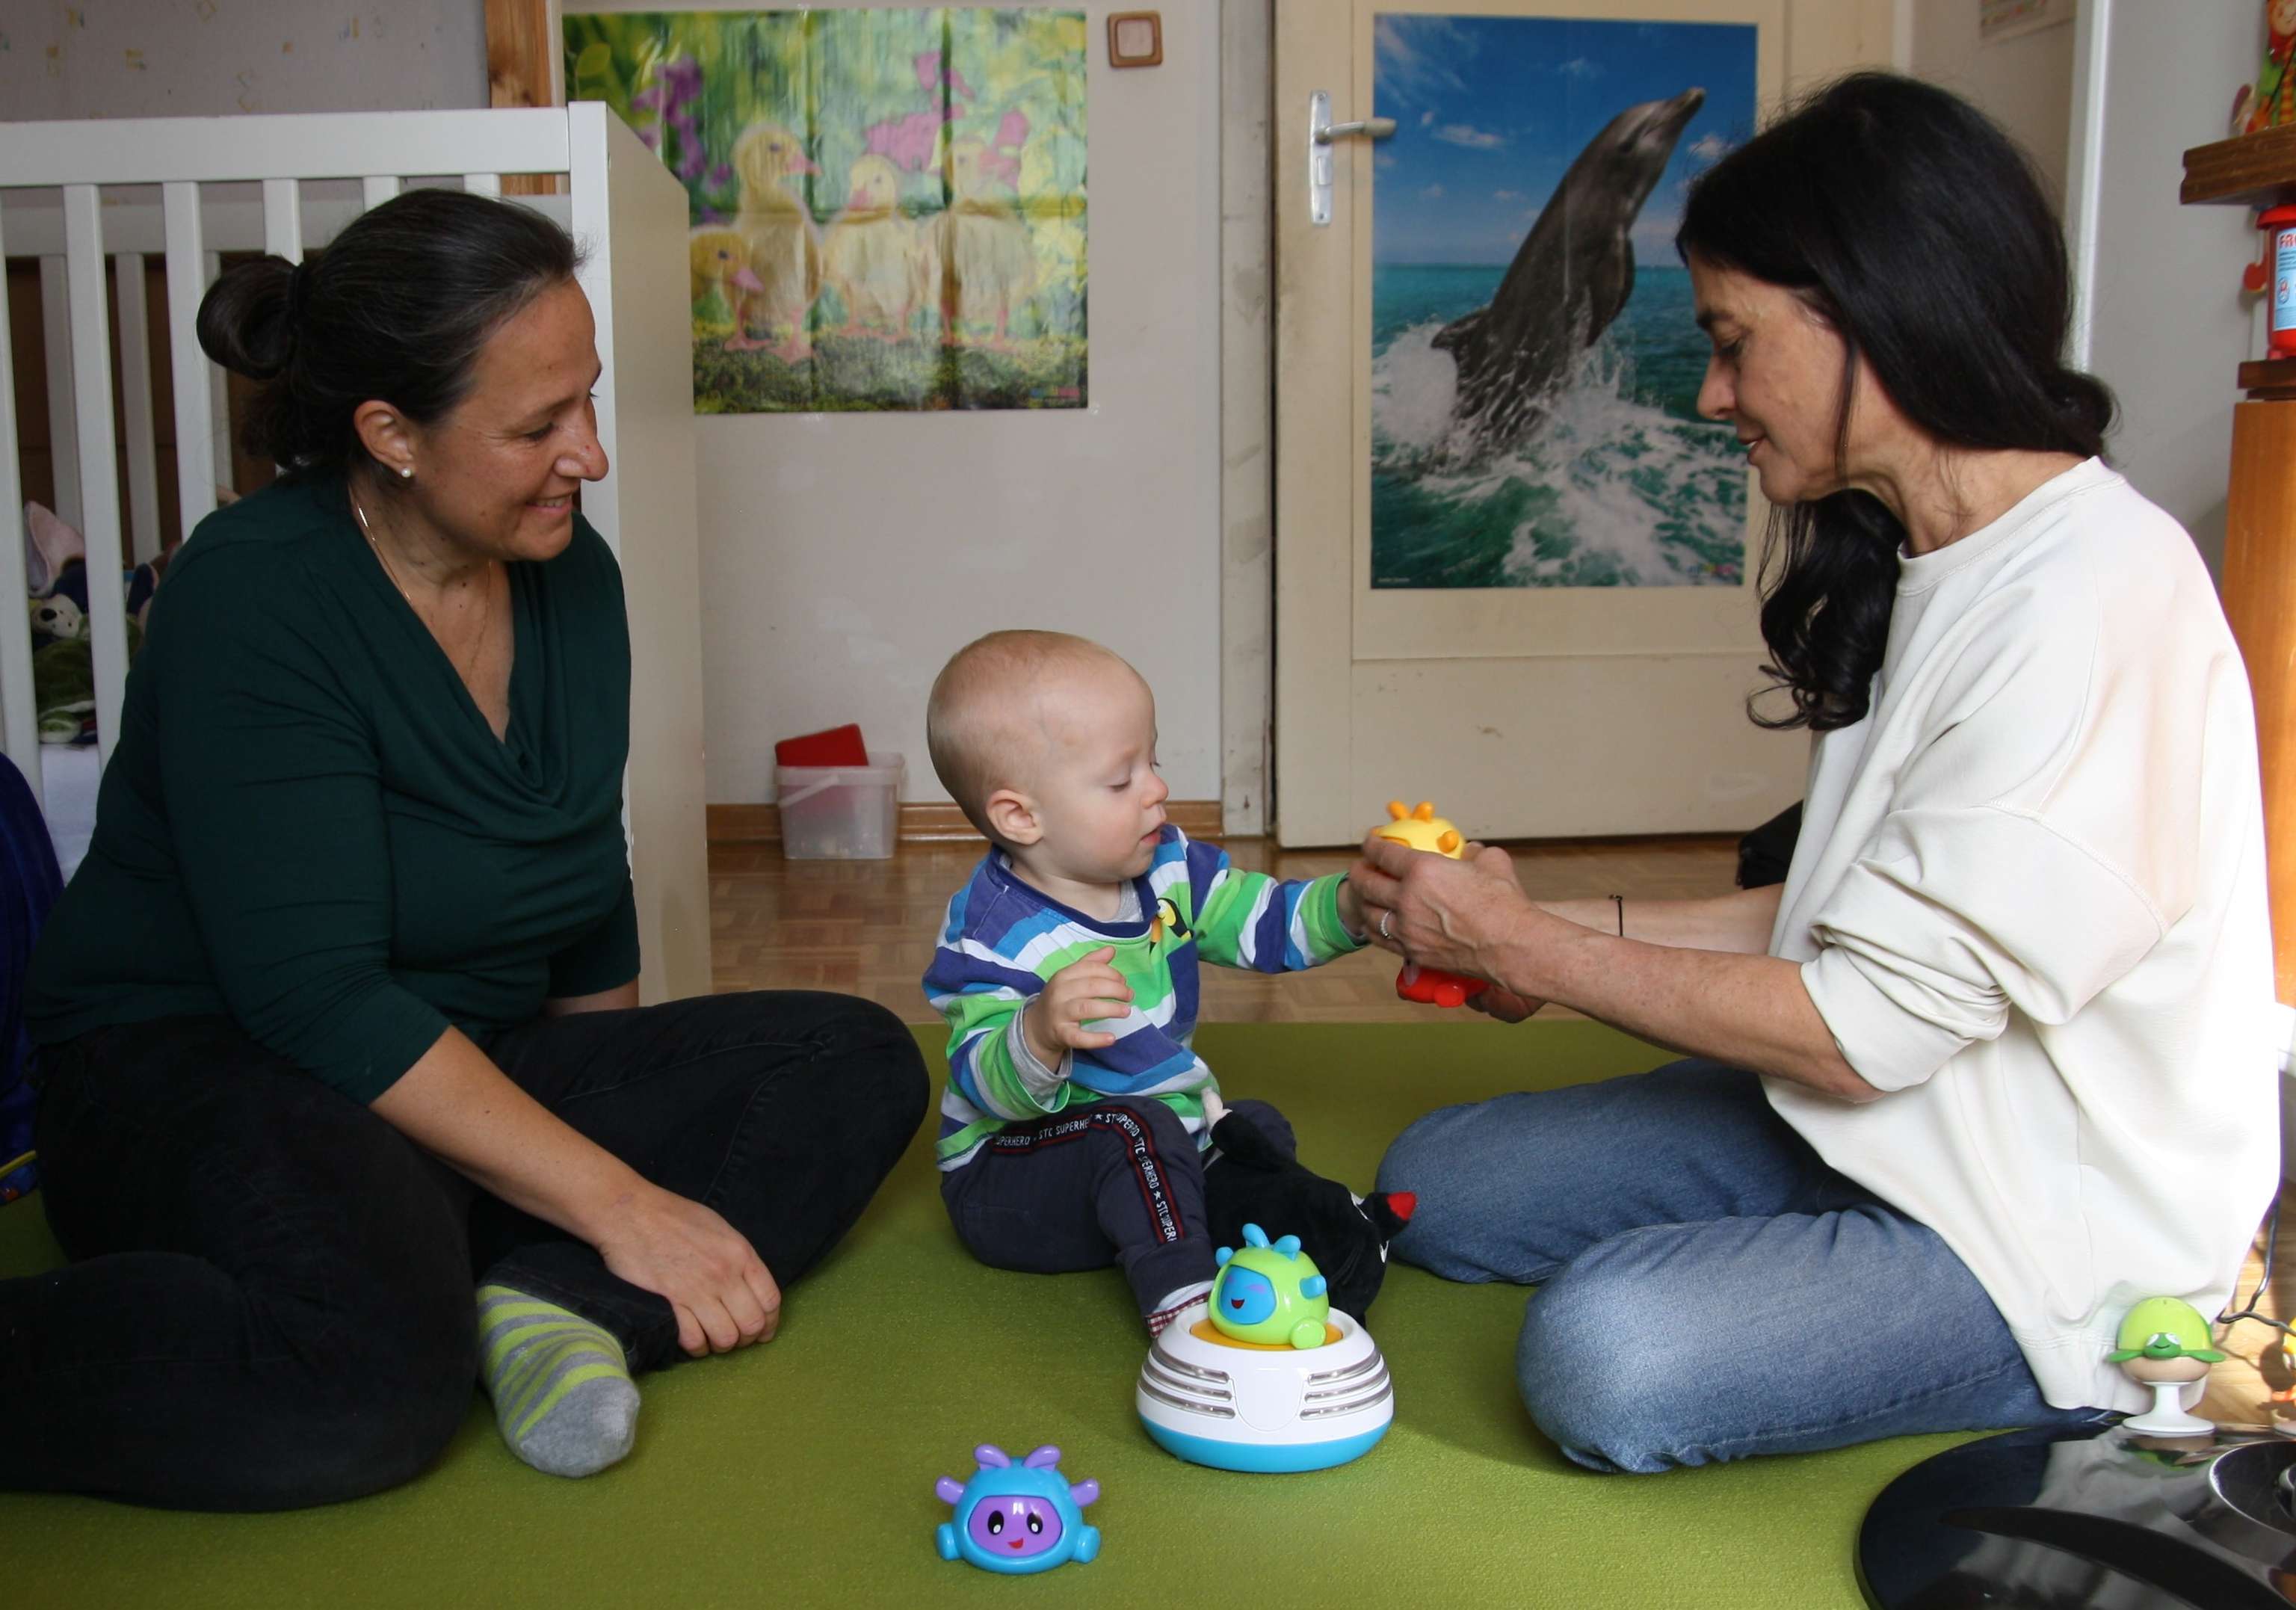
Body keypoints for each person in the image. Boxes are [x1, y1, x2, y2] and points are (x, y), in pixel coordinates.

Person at [1349, 73, 2279, 1473]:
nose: (1712, 388)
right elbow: (1844, 918)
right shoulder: (1931, 554)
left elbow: (1857, 1025)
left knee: (1611, 1354)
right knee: (1440, 1183)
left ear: (1872, 309)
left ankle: (2080, 1356)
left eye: (1730, 341)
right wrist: (1552, 931)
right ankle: (1800, 1255)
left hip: (2044, 1236)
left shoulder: (2089, 603)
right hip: (1881, 1124)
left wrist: (1524, 942)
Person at [3, 188, 927, 1510]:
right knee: (365, 1382)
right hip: (204, 1069)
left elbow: (581, 879)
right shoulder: (258, 590)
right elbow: (308, 992)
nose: (593, 455)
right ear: (389, 434)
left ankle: (534, 1298)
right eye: (541, 424)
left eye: (588, 400)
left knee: (849, 1060)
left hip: (444, 1065)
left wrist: (606, 1117)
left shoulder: (569, 574)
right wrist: (616, 1196)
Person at [922, 630, 1367, 1337]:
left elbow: (1266, 920)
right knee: (1140, 1129)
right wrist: (1036, 1031)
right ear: (1021, 816)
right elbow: (983, 1082)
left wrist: (1353, 906)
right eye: (1121, 779)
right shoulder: (993, 931)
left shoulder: (1167, 868)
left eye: (1152, 760)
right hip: (1010, 1180)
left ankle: (1304, 1237)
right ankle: (1187, 1314)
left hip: (1145, 1144)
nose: (1158, 788)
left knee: (1250, 1128)